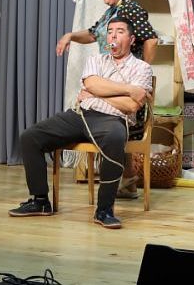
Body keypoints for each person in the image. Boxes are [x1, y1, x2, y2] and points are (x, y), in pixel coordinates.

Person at [10, 17, 153, 229]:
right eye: (110, 31)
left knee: (115, 138)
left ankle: (104, 210)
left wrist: (97, 93)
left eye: (120, 31)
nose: (113, 36)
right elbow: (92, 83)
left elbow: (131, 105)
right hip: (80, 115)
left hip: (112, 119)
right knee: (30, 137)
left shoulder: (142, 68)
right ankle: (40, 201)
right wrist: (128, 89)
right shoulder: (96, 60)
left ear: (131, 39)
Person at [55, 0, 157, 198]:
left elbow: (151, 39)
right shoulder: (112, 12)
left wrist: (141, 72)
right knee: (90, 100)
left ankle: (117, 184)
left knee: (99, 112)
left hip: (126, 85)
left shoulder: (129, 8)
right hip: (111, 80)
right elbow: (92, 34)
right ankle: (128, 183)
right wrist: (70, 35)